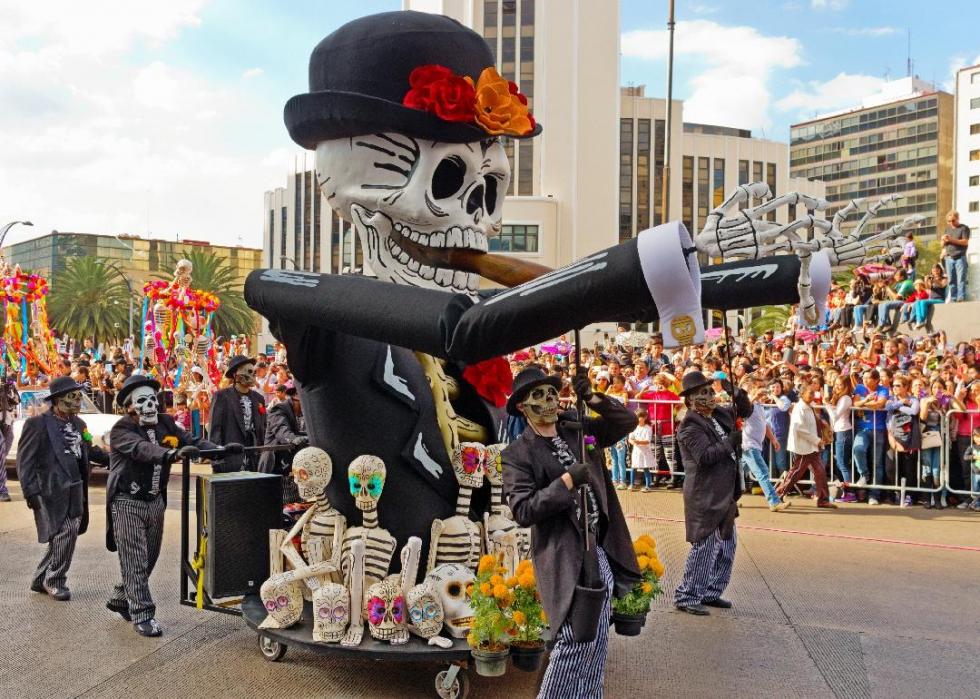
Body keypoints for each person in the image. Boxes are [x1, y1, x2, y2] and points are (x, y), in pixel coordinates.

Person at [502, 366, 640, 698]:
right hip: (565, 557)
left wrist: (592, 397)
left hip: (599, 549)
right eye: (538, 395)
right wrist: (565, 482)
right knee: (572, 641)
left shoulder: (577, 430)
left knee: (597, 641)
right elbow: (523, 510)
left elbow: (626, 422)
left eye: (552, 393)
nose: (549, 400)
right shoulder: (517, 454)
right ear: (522, 405)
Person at [104, 375, 229, 636]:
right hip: (127, 501)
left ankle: (120, 598)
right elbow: (141, 449)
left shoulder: (166, 422)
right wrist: (170, 454)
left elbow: (191, 440)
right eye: (142, 401)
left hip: (155, 500)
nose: (150, 405)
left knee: (149, 557)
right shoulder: (121, 430)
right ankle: (143, 614)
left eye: (153, 399)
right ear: (129, 406)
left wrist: (219, 450)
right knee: (135, 560)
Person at [16, 376, 108, 600]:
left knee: (64, 535)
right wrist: (30, 492)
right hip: (50, 490)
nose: (77, 401)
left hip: (76, 488)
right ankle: (55, 580)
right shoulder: (37, 424)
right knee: (63, 533)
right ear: (57, 400)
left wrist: (114, 459)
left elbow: (89, 449)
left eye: (79, 396)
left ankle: (42, 578)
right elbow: (25, 461)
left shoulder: (79, 424)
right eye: (72, 396)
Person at [673, 370, 752, 615]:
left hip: (725, 493)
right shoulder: (688, 427)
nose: (709, 395)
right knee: (705, 547)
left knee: (727, 546)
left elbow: (744, 411)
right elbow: (705, 457)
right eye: (702, 393)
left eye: (710, 390)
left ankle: (711, 591)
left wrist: (737, 393)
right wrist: (730, 442)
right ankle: (687, 595)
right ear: (690, 400)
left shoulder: (719, 414)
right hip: (705, 495)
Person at [778, 386, 835, 508]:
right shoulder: (800, 408)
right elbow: (800, 429)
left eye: (813, 393)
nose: (812, 395)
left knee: (820, 472)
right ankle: (778, 495)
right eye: (810, 393)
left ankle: (823, 500)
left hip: (811, 447)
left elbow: (812, 423)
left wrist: (822, 424)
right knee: (796, 473)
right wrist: (817, 440)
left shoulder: (810, 406)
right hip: (804, 447)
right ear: (802, 394)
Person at [739, 377, 790, 512]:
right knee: (761, 472)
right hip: (749, 445)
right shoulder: (748, 405)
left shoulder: (760, 406)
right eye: (758, 387)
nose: (762, 390)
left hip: (755, 444)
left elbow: (765, 425)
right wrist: (754, 396)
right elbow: (742, 411)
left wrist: (773, 439)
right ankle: (774, 502)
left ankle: (730, 499)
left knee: (737, 472)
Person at [209, 355, 266, 472]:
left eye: (254, 372)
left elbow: (262, 427)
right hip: (230, 456)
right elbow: (215, 430)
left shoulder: (259, 398)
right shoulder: (222, 396)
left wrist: (262, 454)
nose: (253, 375)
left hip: (253, 456)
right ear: (236, 375)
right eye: (249, 371)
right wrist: (216, 458)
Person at [258, 382, 309, 503]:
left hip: (294, 468)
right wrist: (293, 439)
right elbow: (281, 430)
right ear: (296, 396)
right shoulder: (279, 409)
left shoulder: (305, 414)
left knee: (295, 508)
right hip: (275, 465)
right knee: (273, 505)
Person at [852, 369, 890, 505]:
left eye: (868, 378)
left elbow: (880, 404)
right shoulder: (860, 388)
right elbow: (855, 404)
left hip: (879, 429)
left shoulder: (883, 390)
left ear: (876, 380)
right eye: (864, 377)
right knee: (858, 449)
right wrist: (867, 401)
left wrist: (864, 403)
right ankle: (864, 475)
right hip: (863, 428)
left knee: (877, 463)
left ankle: (874, 495)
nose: (865, 380)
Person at [942, 210, 970, 303]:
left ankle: (961, 297)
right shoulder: (947, 229)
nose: (951, 223)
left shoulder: (964, 228)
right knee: (951, 280)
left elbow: (965, 242)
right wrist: (943, 241)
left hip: (960, 257)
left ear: (957, 218)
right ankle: (953, 298)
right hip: (949, 257)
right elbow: (943, 245)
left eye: (953, 220)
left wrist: (951, 239)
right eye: (949, 221)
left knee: (961, 279)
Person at [0, 376, 20, 502]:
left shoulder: (8, 384)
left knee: (3, 452)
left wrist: (7, 388)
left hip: (7, 422)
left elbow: (16, 401)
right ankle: (2, 490)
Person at [628, 410, 655, 492]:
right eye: (638, 417)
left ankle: (648, 486)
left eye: (641, 417)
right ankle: (632, 484)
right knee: (633, 467)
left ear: (645, 418)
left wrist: (638, 442)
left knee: (646, 468)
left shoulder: (648, 428)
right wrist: (633, 442)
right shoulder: (634, 427)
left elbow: (647, 441)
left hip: (645, 451)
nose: (639, 419)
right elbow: (630, 438)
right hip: (636, 451)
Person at [963, 427, 980, 511]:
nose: (978, 439)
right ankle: (975, 503)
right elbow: (965, 457)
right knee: (975, 490)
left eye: (979, 437)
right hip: (975, 473)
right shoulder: (971, 447)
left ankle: (977, 504)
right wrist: (974, 456)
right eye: (976, 437)